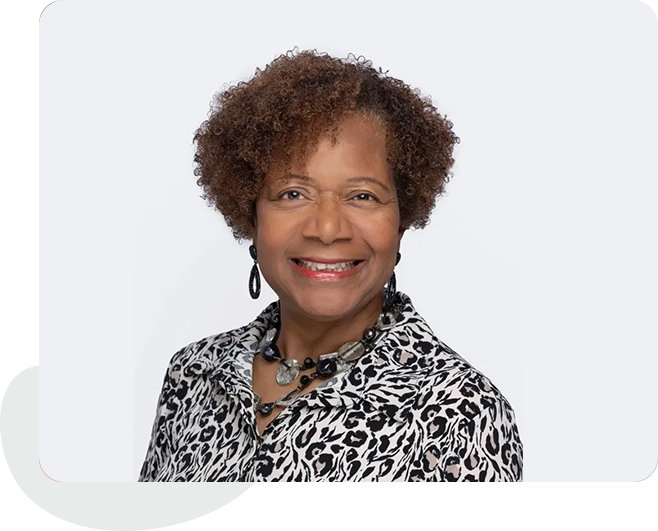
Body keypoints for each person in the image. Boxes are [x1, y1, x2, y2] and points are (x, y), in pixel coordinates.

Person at [138, 49, 523, 482]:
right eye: (292, 194)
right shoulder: (193, 374)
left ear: (401, 222)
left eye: (362, 196)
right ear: (251, 217)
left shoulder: (462, 413)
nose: (326, 228)